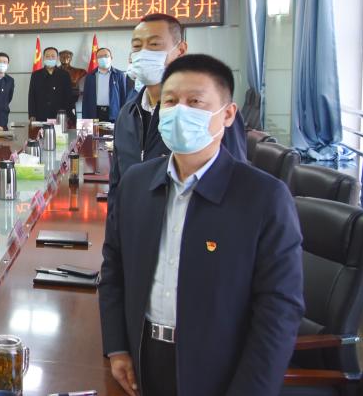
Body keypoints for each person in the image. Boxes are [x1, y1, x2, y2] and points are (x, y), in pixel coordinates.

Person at [99, 54, 303, 396]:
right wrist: (117, 346)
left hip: (220, 370)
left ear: (227, 114)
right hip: (143, 355)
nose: (180, 111)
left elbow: (279, 310)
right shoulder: (136, 182)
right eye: (170, 101)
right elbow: (113, 268)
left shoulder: (264, 197)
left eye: (195, 102)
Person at [109, 14, 247, 214]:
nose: (143, 53)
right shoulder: (127, 114)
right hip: (137, 224)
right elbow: (117, 183)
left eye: (154, 44)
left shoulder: (205, 114)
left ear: (180, 50)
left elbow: (236, 182)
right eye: (137, 46)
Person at [27, 47, 74, 123]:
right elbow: (32, 96)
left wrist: (69, 114)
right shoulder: (36, 75)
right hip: (40, 116)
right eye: (47, 56)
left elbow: (69, 97)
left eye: (53, 56)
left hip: (59, 116)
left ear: (57, 58)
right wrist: (32, 115)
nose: (50, 58)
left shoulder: (64, 75)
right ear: (43, 58)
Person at [81, 47, 129, 122]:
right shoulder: (90, 76)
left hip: (113, 114)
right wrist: (85, 120)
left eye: (106, 56)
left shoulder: (119, 75)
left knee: (112, 130)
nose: (103, 58)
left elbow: (123, 97)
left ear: (111, 58)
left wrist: (124, 117)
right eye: (100, 57)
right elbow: (86, 99)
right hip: (94, 113)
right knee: (94, 130)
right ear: (96, 60)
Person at [0, 52, 14, 131]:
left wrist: (1, 123)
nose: (2, 64)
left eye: (4, 62)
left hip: (2, 122)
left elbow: (7, 101)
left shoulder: (10, 80)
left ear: (8, 64)